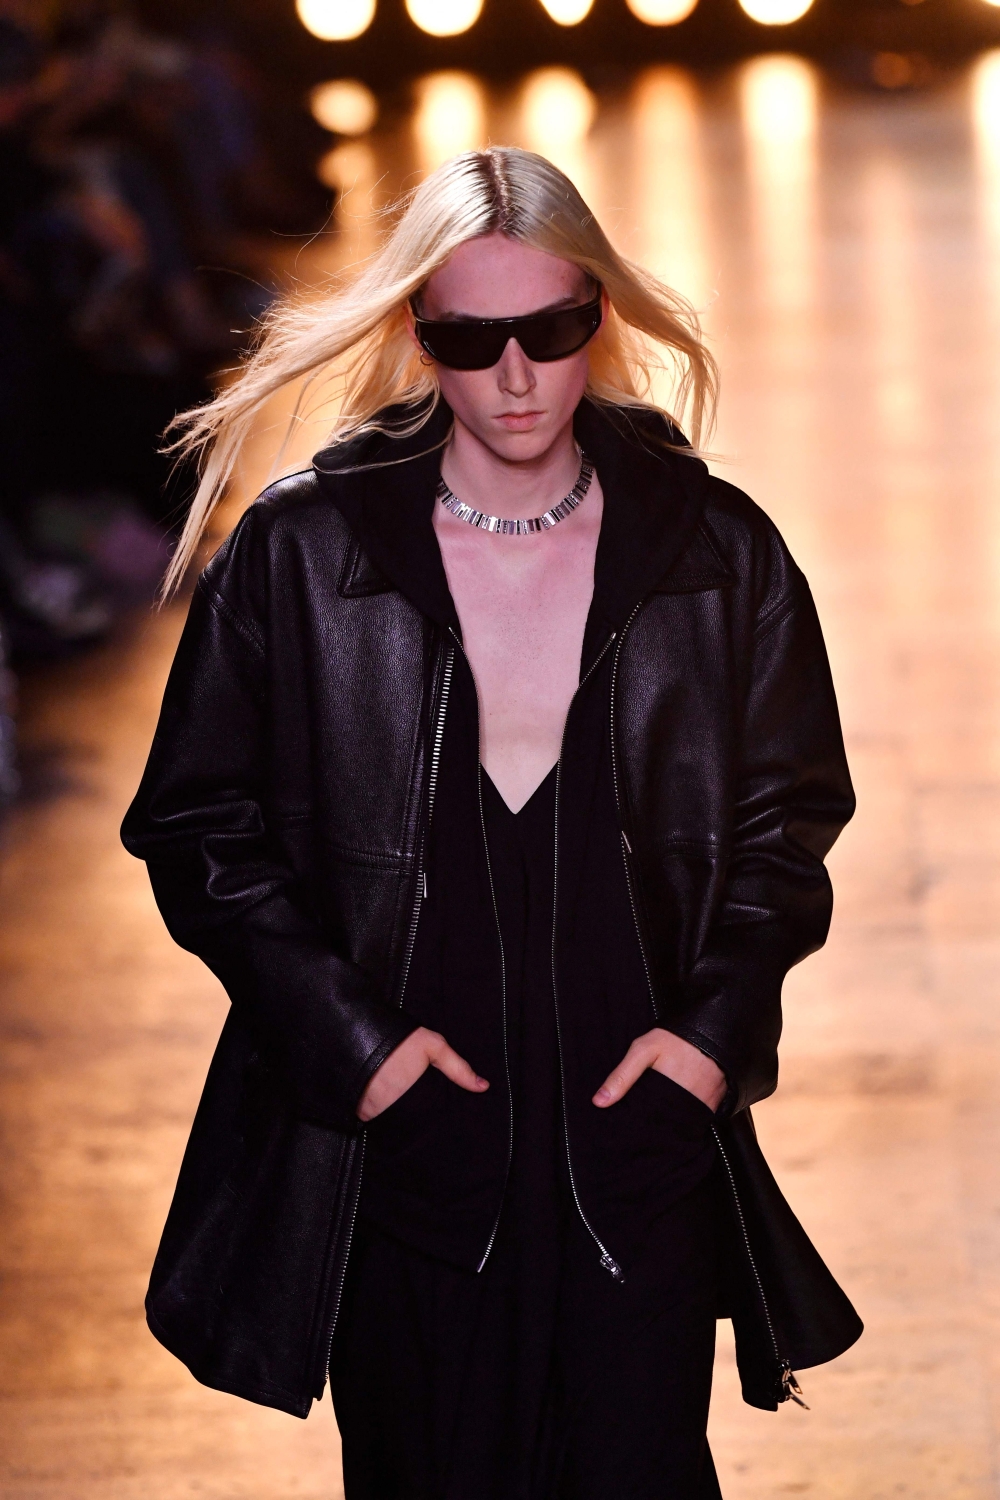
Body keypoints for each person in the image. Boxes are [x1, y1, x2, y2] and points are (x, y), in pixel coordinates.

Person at [122, 147, 862, 1499]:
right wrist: (356, 1047)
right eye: (472, 337)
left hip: (631, 1135)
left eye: (554, 329)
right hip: (407, 1147)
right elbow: (195, 824)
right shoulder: (305, 556)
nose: (516, 374)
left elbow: (790, 816)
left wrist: (712, 1037)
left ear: (601, 314)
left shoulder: (715, 551)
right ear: (419, 335)